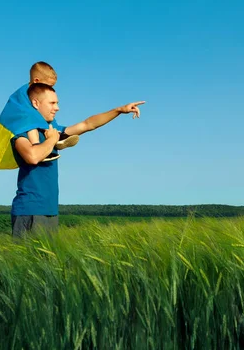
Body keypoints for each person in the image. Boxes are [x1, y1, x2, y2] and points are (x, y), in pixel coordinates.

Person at [10, 82, 145, 237]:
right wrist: (52, 141)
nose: (57, 107)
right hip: (29, 210)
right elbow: (32, 157)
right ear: (35, 103)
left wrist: (119, 110)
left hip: (50, 210)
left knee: (47, 261)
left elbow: (88, 124)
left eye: (57, 103)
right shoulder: (21, 131)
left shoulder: (51, 129)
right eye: (52, 103)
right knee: (29, 260)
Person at [0, 61, 78, 181]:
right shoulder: (23, 95)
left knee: (34, 120)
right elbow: (26, 116)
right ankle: (40, 144)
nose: (49, 89)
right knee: (30, 121)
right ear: (36, 81)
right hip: (17, 124)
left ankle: (55, 139)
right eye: (49, 86)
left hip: (30, 123)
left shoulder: (35, 95)